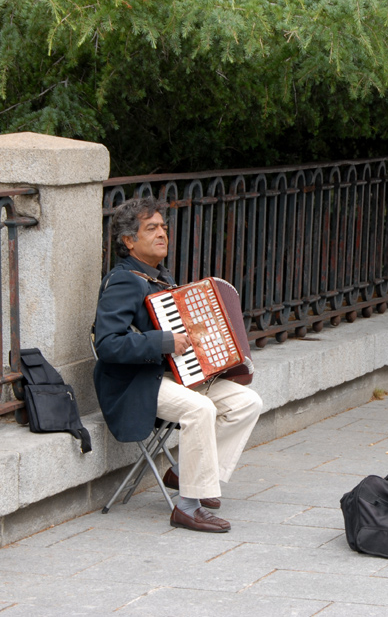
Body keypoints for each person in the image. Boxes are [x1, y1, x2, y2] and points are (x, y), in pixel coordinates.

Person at [93, 197, 262, 532]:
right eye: (151, 228)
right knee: (199, 408)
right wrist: (165, 341)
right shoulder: (124, 280)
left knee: (247, 402)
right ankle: (187, 506)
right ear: (129, 241)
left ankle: (187, 474)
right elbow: (107, 344)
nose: (162, 234)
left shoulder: (159, 277)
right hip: (133, 385)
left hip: (169, 374)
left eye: (163, 227)